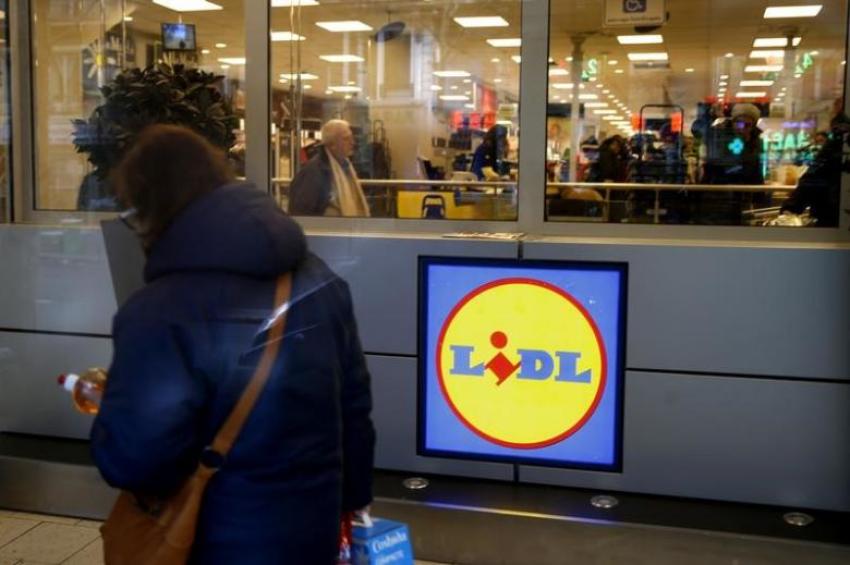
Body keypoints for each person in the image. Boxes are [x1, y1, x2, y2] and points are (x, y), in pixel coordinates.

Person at [91, 124, 375, 564]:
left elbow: (137, 461)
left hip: (215, 542)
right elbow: (353, 409)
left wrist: (116, 409)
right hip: (311, 533)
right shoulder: (319, 280)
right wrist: (350, 501)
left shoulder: (162, 312)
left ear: (154, 209)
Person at [288, 119, 371, 217]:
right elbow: (301, 213)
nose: (352, 142)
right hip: (328, 229)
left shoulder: (346, 166)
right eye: (346, 139)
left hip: (346, 229)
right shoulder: (314, 172)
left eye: (351, 137)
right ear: (332, 145)